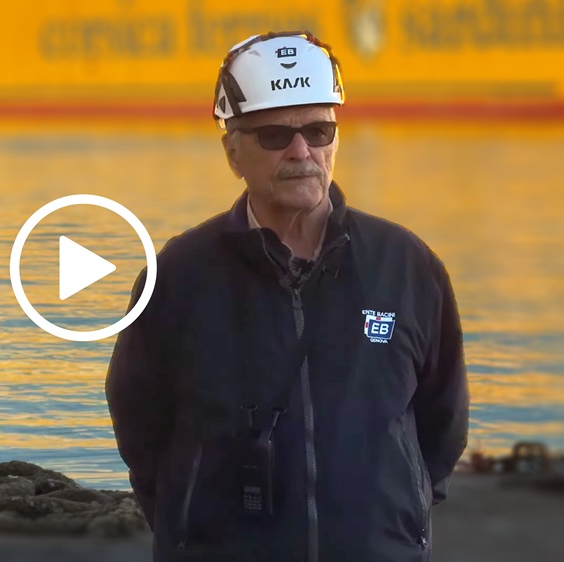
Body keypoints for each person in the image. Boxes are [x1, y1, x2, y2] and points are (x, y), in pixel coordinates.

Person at [106, 31, 470, 562]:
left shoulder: (407, 265)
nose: (302, 152)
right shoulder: (178, 277)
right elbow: (140, 426)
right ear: (233, 151)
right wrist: (186, 529)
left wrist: (400, 519)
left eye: (319, 131)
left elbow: (444, 421)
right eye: (275, 135)